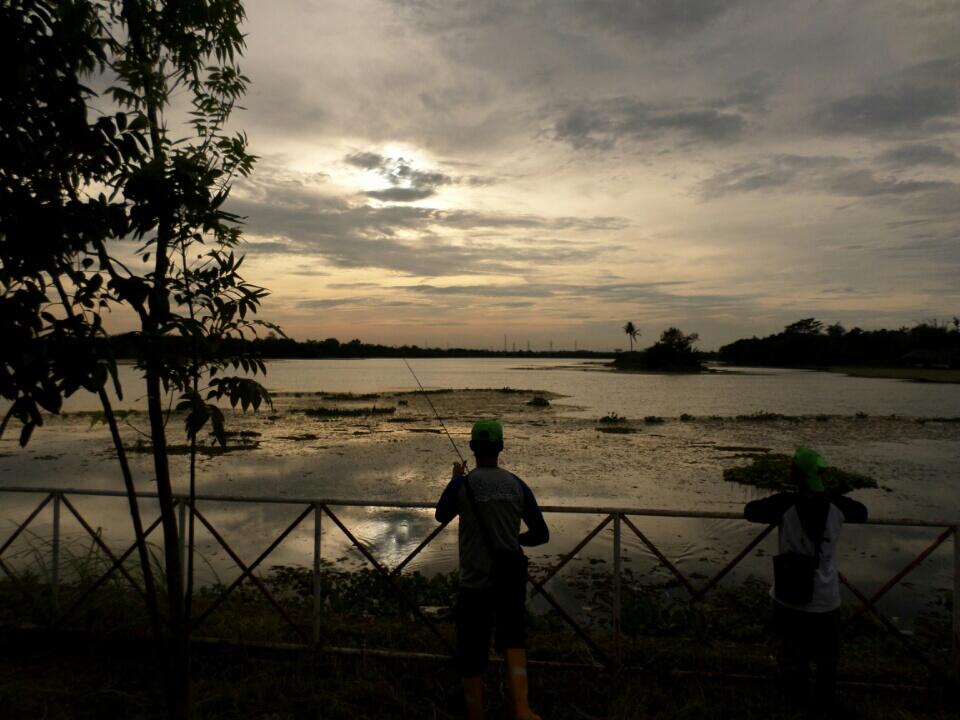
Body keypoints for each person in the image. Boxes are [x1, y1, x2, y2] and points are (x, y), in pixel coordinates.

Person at [435, 419, 549, 720]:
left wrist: (455, 478)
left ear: (473, 449)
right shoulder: (517, 485)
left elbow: (440, 514)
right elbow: (541, 534)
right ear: (500, 448)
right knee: (513, 638)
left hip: (474, 582)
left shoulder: (462, 485)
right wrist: (512, 540)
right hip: (509, 579)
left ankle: (476, 713)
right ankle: (522, 710)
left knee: (472, 647)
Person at [744, 447, 868, 714]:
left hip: (789, 596)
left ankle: (795, 702)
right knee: (827, 662)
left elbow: (750, 510)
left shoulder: (784, 504)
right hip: (827, 599)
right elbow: (863, 512)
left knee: (791, 657)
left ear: (795, 475)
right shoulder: (839, 505)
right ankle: (823, 705)